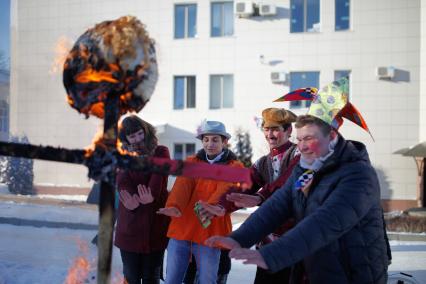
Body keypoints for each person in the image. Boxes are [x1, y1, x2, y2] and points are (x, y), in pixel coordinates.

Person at [206, 78, 389, 283]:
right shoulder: (307, 169)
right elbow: (279, 204)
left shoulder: (358, 175)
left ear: (333, 136)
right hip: (313, 263)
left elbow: (324, 223)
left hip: (353, 268)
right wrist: (239, 238)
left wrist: (271, 254)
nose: (301, 147)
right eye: (302, 139)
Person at [193, 107, 300, 284]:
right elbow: (242, 186)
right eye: (266, 129)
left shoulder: (300, 154)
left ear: (288, 131)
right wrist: (221, 206)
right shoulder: (262, 162)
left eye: (275, 129)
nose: (270, 134)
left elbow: (287, 182)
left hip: (295, 240)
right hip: (267, 242)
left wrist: (260, 197)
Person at [157, 120, 244, 284]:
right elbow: (182, 185)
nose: (210, 144)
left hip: (209, 233)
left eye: (215, 140)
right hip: (182, 230)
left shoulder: (234, 166)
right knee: (171, 280)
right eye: (206, 139)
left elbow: (227, 188)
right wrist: (174, 206)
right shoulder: (191, 162)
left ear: (224, 142)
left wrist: (213, 206)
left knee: (207, 280)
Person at [114, 115, 170, 284]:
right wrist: (131, 199)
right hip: (130, 223)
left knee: (151, 277)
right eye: (132, 136)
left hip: (155, 224)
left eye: (139, 133)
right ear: (126, 139)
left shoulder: (161, 151)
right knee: (131, 277)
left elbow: (158, 176)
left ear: (145, 130)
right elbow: (122, 181)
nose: (138, 139)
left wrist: (151, 195)